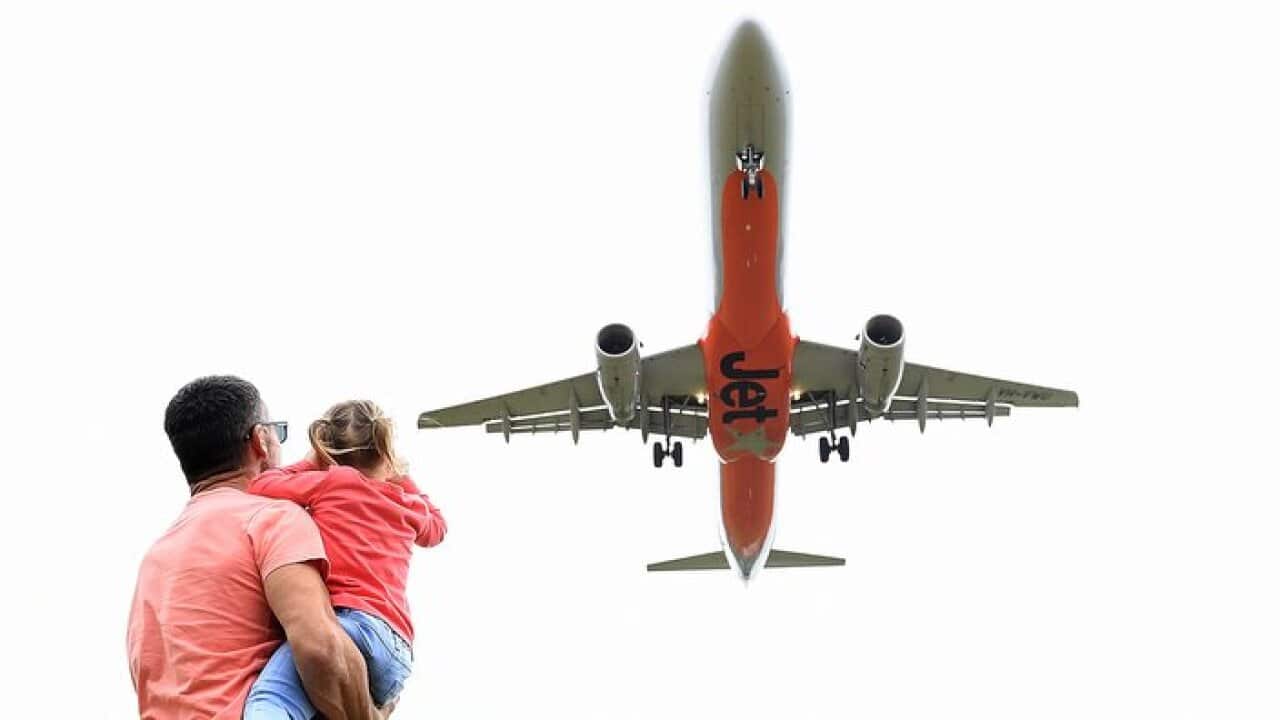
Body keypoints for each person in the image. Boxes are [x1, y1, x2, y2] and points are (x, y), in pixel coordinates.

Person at [127, 376, 391, 720]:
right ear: (260, 440)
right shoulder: (272, 519)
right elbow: (321, 648)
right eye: (276, 431)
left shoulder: (155, 559)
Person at [243, 400, 447, 719]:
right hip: (395, 649)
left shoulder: (335, 483)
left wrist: (313, 462)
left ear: (330, 453)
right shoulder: (408, 504)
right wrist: (400, 476)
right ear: (386, 451)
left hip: (347, 629)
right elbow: (437, 529)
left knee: (273, 699)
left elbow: (260, 484)